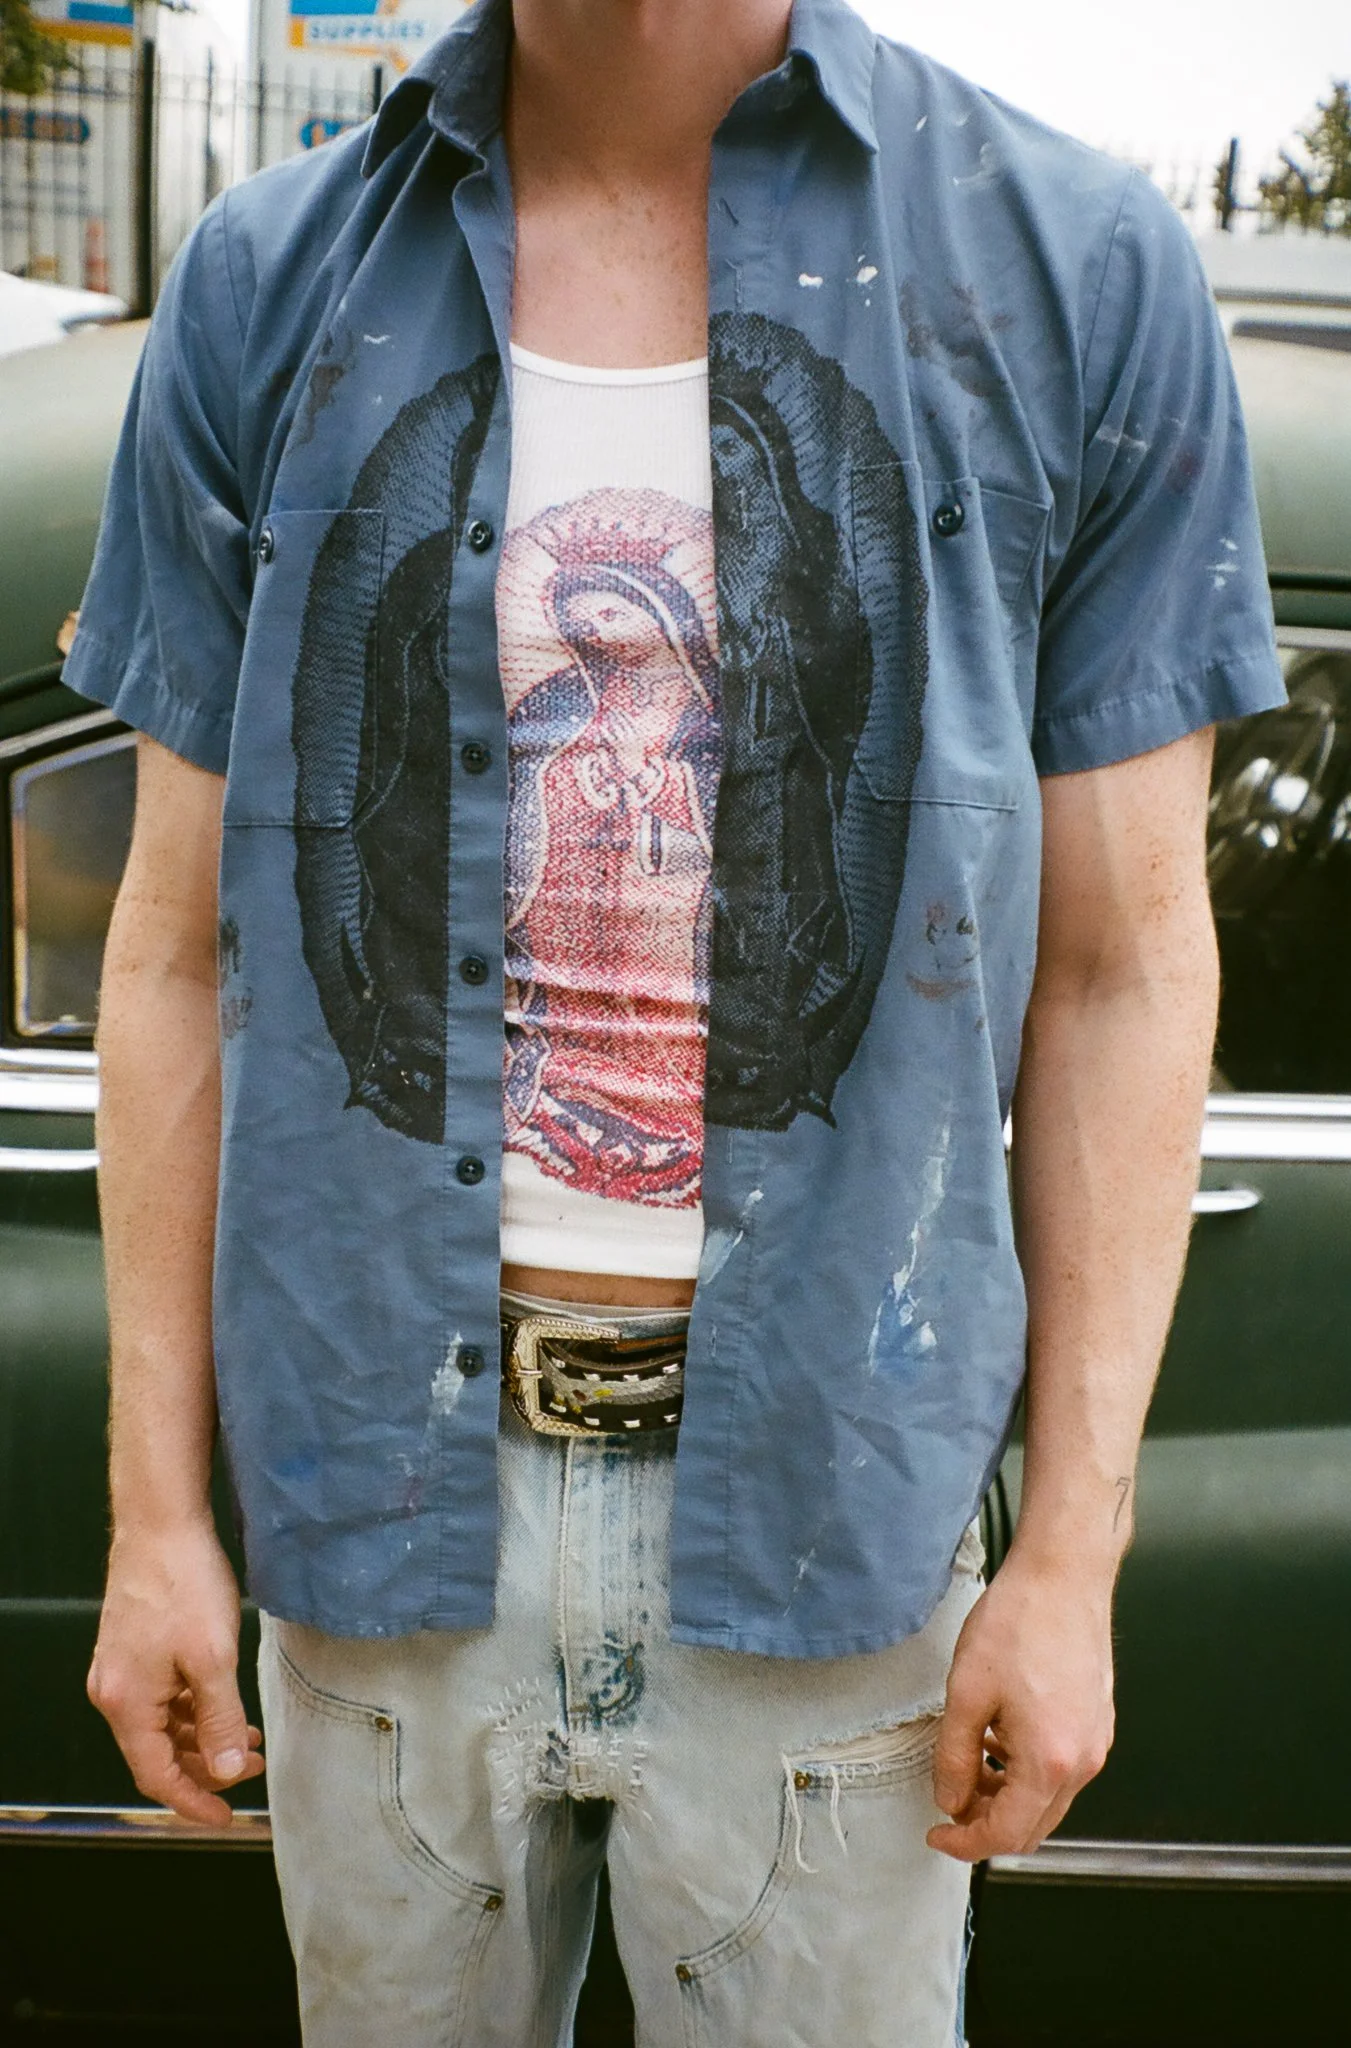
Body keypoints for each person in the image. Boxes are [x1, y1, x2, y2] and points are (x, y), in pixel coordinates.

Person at [70, 0, 1285, 2041]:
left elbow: (1125, 965)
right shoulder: (276, 282)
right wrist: (154, 1515)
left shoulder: (1073, 270)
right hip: (378, 1494)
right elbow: (173, 943)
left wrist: (1070, 1556)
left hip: (831, 1504)